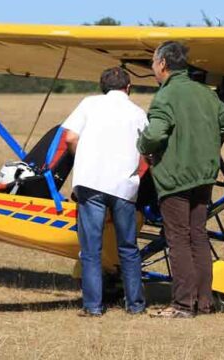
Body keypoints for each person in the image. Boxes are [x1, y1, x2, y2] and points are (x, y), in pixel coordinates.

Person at [138, 41, 224, 318]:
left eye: (153, 63)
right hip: (204, 175)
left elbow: (154, 135)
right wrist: (208, 145)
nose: (153, 68)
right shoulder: (206, 93)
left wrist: (142, 145)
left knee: (177, 238)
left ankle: (182, 305)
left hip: (176, 177)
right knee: (198, 236)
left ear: (164, 64)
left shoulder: (165, 96)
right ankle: (204, 303)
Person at [63, 67, 148, 317]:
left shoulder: (89, 104)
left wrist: (84, 158)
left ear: (102, 86)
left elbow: (69, 137)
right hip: (124, 186)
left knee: (91, 249)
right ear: (128, 87)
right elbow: (145, 148)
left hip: (90, 184)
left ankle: (93, 306)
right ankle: (135, 305)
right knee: (128, 247)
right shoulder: (137, 112)